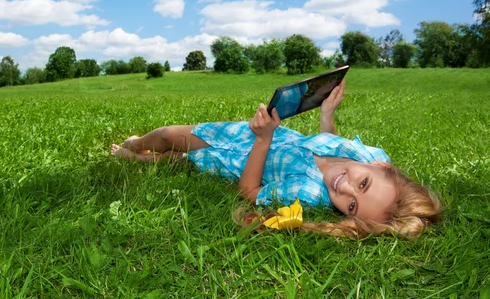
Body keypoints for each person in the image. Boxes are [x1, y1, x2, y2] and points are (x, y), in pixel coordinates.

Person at [110, 80, 441, 238]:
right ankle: (139, 142)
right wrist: (327, 113)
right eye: (363, 183)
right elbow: (333, 142)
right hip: (249, 135)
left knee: (180, 160)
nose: (345, 189)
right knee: (170, 135)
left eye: (352, 206)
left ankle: (135, 158)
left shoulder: (309, 193)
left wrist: (264, 138)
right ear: (380, 166)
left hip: (246, 157)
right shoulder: (370, 154)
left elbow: (249, 193)